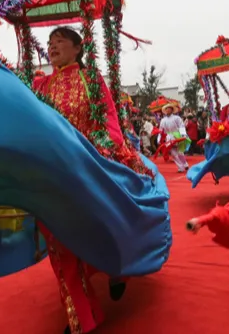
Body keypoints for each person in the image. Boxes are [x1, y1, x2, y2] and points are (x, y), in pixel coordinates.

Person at [33, 27, 149, 334]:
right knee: (61, 246)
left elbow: (109, 122)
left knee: (103, 229)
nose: (52, 45)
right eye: (50, 41)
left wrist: (100, 153)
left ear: (77, 48)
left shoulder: (92, 80)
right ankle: (82, 315)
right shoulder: (40, 86)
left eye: (60, 41)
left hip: (91, 167)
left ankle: (117, 269)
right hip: (54, 175)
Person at [158, 103, 190, 173]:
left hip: (177, 135)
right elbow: (161, 130)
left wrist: (183, 135)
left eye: (169, 109)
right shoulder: (163, 120)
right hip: (168, 137)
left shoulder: (177, 118)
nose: (168, 110)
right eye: (166, 109)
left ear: (172, 110)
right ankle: (180, 167)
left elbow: (181, 126)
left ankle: (185, 164)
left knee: (180, 152)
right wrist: (159, 139)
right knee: (173, 153)